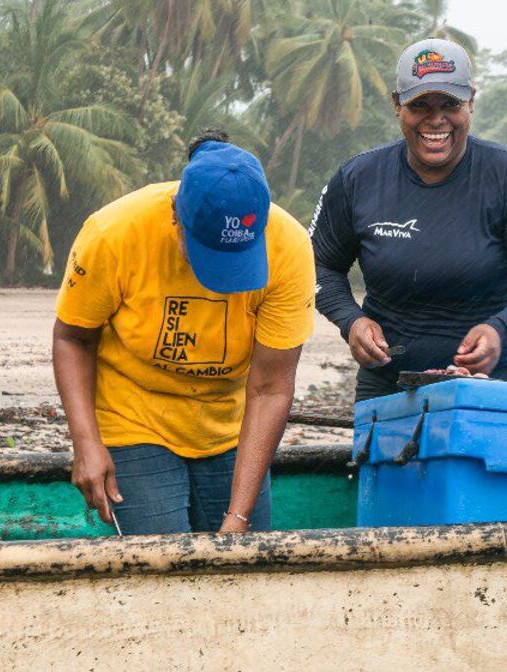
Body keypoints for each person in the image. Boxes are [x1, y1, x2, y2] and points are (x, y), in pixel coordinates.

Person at [52, 132, 315, 534]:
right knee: (163, 560)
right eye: (207, 253)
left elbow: (271, 387)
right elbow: (73, 338)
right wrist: (86, 443)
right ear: (176, 213)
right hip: (134, 413)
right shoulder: (113, 233)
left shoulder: (290, 248)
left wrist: (238, 517)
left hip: (229, 423)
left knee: (244, 556)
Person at [310, 38, 507, 401]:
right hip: (391, 384)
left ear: (471, 102)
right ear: (397, 104)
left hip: (498, 380)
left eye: (450, 104)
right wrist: (351, 320)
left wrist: (501, 331)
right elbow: (318, 265)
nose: (436, 119)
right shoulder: (358, 179)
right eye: (420, 105)